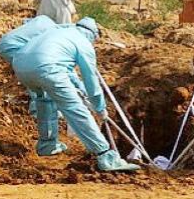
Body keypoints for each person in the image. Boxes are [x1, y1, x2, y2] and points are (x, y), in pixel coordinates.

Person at [10, 17, 139, 172]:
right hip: (46, 67)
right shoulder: (83, 43)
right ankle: (105, 155)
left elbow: (67, 71)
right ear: (92, 35)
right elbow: (91, 79)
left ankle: (47, 145)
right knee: (74, 108)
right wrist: (99, 107)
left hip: (21, 67)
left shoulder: (61, 32)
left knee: (44, 101)